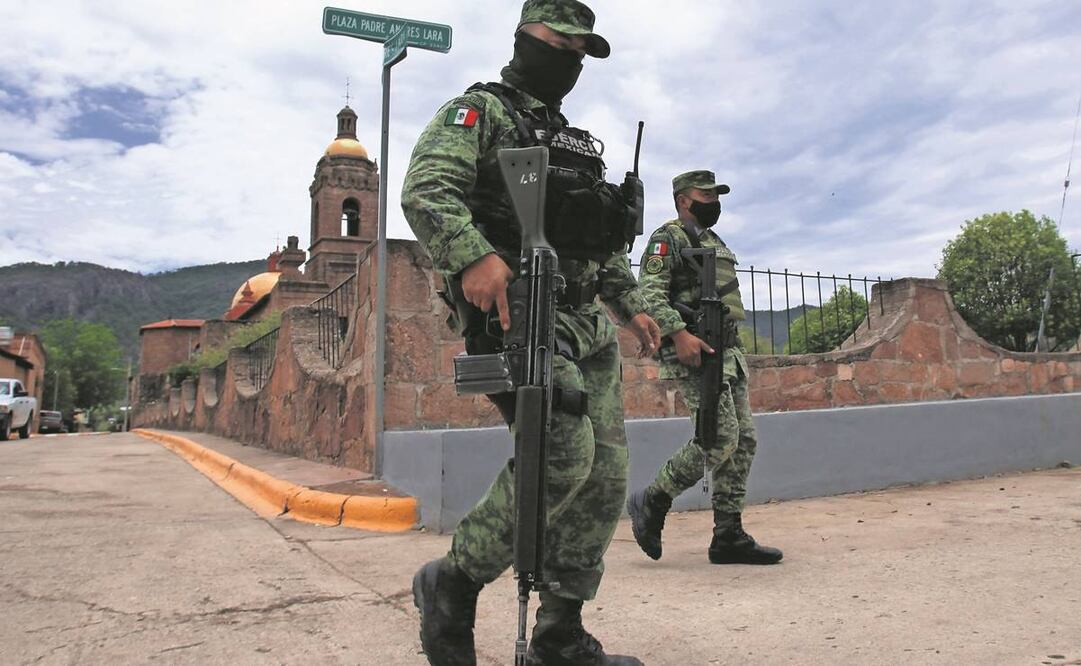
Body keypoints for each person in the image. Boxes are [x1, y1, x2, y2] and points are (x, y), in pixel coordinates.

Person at [400, 1, 661, 664]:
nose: (571, 58)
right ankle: (452, 583)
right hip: (520, 315)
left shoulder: (572, 143)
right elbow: (427, 188)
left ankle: (559, 634)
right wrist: (471, 255)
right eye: (560, 41)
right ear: (525, 37)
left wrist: (631, 307)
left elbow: (595, 246)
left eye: (582, 50)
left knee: (604, 476)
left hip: (585, 324)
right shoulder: (479, 111)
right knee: (562, 455)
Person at [626, 170, 783, 566]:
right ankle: (653, 497)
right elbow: (650, 294)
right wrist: (678, 334)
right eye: (705, 194)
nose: (713, 201)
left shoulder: (714, 241)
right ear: (682, 199)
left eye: (717, 195)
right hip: (693, 350)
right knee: (718, 437)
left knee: (743, 440)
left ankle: (727, 534)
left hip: (726, 351)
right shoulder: (668, 238)